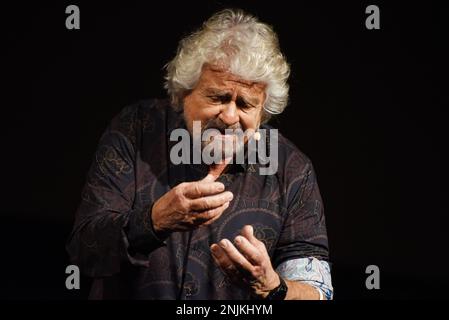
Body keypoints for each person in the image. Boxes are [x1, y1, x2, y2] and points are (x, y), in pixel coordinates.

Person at [67, 8, 333, 300]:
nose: (230, 116)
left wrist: (273, 287)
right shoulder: (137, 130)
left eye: (245, 104)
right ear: (183, 93)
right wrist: (155, 221)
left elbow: (318, 293)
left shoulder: (292, 170)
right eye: (218, 97)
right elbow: (84, 248)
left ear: (263, 111)